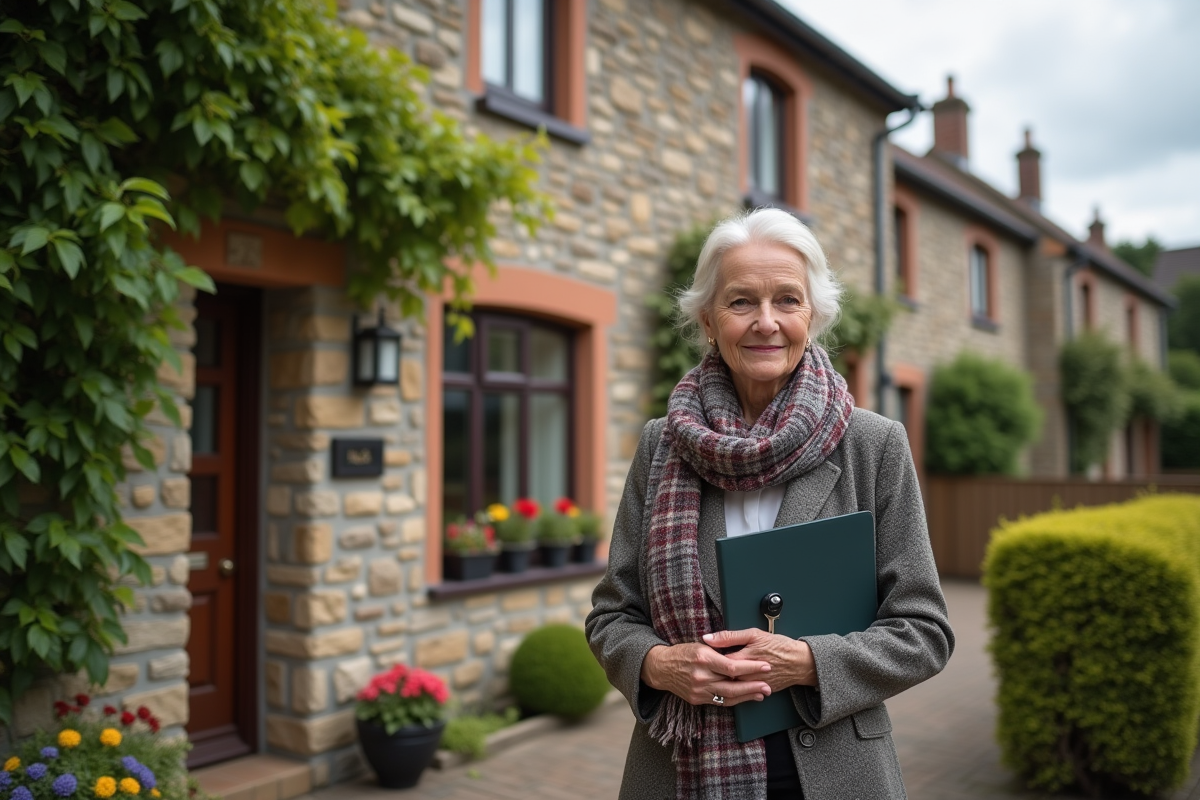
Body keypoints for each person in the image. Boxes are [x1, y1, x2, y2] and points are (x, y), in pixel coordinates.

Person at [586, 208, 954, 799]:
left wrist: (807, 662)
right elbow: (611, 617)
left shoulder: (873, 444)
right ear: (708, 320)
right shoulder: (662, 445)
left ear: (813, 315)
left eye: (788, 299)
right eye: (740, 303)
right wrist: (660, 666)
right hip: (682, 771)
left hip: (834, 769)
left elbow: (924, 631)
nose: (766, 322)